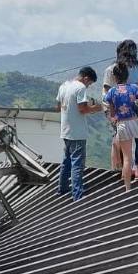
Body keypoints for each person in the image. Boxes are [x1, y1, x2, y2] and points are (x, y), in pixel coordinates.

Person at [103, 39, 138, 179]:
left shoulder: (111, 68)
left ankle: (119, 169)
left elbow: (107, 90)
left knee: (119, 136)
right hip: (135, 107)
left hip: (117, 107)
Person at [55, 66, 102, 201]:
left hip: (65, 131)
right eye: (90, 83)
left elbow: (58, 107)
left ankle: (62, 189)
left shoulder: (64, 85)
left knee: (66, 161)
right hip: (77, 133)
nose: (88, 86)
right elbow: (83, 109)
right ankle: (78, 195)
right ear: (86, 78)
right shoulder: (80, 88)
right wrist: (98, 107)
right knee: (77, 164)